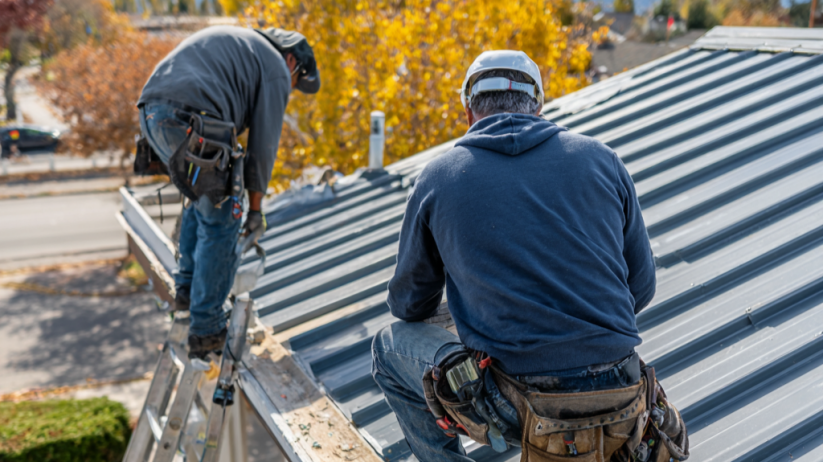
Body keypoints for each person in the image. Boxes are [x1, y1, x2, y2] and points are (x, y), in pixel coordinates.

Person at [372, 51, 686, 461]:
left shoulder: (438, 178)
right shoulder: (602, 159)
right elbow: (640, 290)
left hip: (518, 405)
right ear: (538, 106)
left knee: (388, 346)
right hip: (621, 393)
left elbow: (408, 306)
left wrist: (475, 303)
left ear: (468, 112)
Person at [136, 26, 320, 358]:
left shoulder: (240, 46)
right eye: (295, 82)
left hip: (151, 112)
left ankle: (187, 290)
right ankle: (207, 329)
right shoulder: (276, 66)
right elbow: (263, 148)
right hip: (187, 116)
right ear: (292, 60)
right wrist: (254, 210)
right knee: (224, 216)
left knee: (204, 198)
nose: (290, 89)